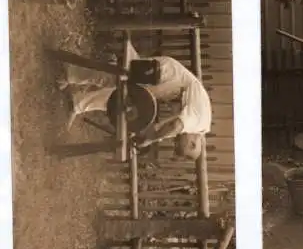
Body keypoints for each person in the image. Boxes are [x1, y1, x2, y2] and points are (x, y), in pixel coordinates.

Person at [57, 40, 212, 160]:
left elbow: (158, 127)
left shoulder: (194, 128)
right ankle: (73, 86)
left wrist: (138, 137)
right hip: (168, 76)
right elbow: (172, 127)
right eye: (179, 143)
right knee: (119, 86)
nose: (175, 141)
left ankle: (75, 92)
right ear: (192, 144)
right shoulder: (199, 122)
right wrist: (150, 139)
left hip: (169, 84)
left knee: (121, 91)